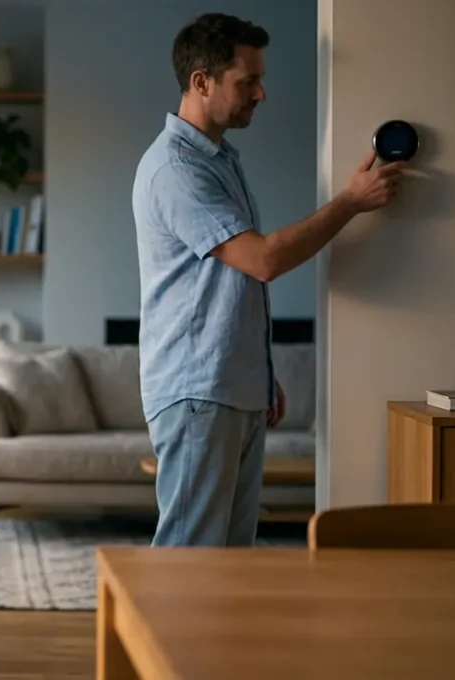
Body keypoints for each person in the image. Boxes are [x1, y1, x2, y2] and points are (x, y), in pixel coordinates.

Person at [132, 13, 406, 547]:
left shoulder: (220, 161)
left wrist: (258, 371)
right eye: (248, 81)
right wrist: (351, 202)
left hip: (227, 385)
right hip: (197, 391)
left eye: (260, 79)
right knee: (191, 559)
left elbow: (226, 285)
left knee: (230, 560)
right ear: (201, 82)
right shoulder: (175, 170)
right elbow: (261, 261)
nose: (261, 94)